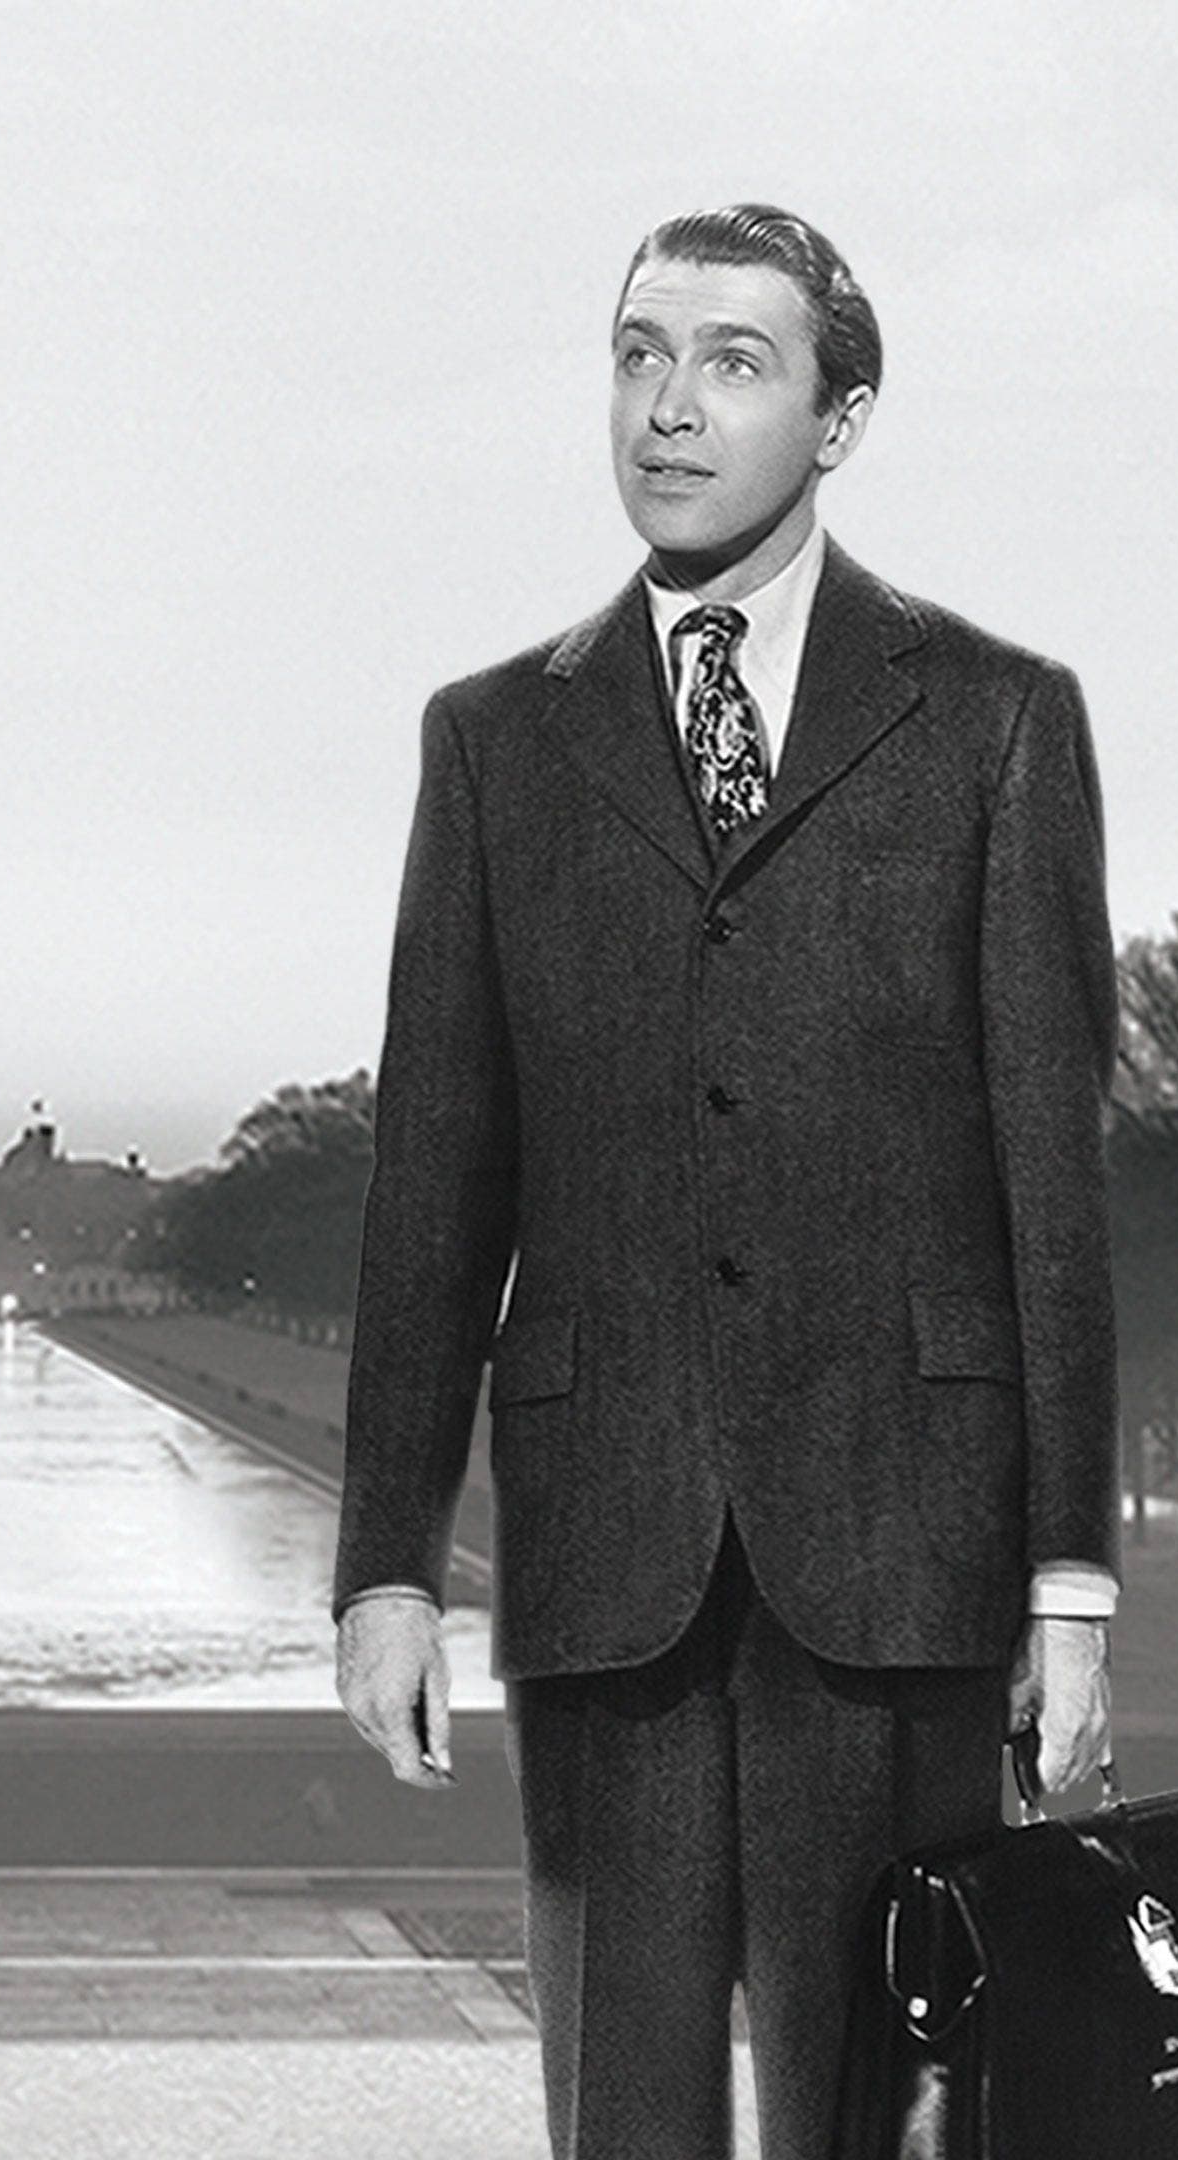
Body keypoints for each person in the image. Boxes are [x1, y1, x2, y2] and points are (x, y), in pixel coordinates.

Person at [332, 203, 1121, 2160]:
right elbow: (438, 1172)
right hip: (614, 1545)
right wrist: (385, 1561)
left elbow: (1055, 1173)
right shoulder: (495, 742)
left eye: (733, 361)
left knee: (892, 2113)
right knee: (629, 2111)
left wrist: (1072, 1578)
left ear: (841, 415)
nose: (667, 408)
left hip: (902, 1539)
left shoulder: (996, 721)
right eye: (637, 354)